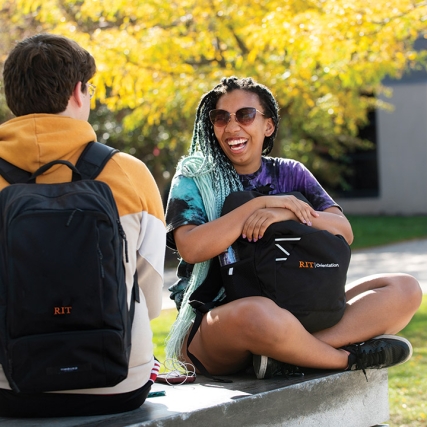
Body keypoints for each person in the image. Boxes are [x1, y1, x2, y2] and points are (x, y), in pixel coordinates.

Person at [164, 76, 422, 380]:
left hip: (303, 309)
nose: (232, 127)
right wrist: (257, 206)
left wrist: (287, 212)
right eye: (221, 118)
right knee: (259, 311)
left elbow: (343, 230)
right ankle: (345, 359)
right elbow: (192, 249)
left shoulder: (291, 173)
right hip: (223, 326)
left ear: (268, 126)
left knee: (404, 289)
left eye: (245, 115)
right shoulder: (194, 177)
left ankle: (287, 356)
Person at [0, 34, 165, 416]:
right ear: (78, 92)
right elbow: (152, 300)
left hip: (10, 387)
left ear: (13, 98)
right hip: (118, 383)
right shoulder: (129, 172)